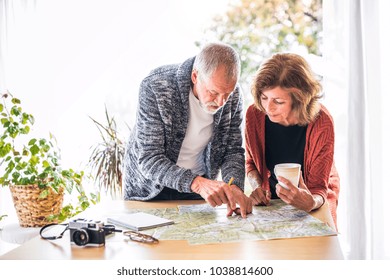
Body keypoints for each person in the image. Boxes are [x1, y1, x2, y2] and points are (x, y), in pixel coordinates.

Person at [123, 42, 252, 218]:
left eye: (227, 94)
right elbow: (149, 158)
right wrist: (197, 183)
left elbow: (232, 150)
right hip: (151, 192)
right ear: (194, 76)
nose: (222, 102)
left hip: (198, 191)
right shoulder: (156, 86)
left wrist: (235, 187)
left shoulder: (233, 94)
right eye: (213, 92)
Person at [245, 53, 340, 226]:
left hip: (316, 203)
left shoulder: (322, 121)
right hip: (272, 207)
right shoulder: (254, 114)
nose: (268, 108)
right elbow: (250, 163)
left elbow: (320, 188)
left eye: (278, 101)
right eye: (264, 98)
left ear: (299, 99)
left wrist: (310, 202)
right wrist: (257, 186)